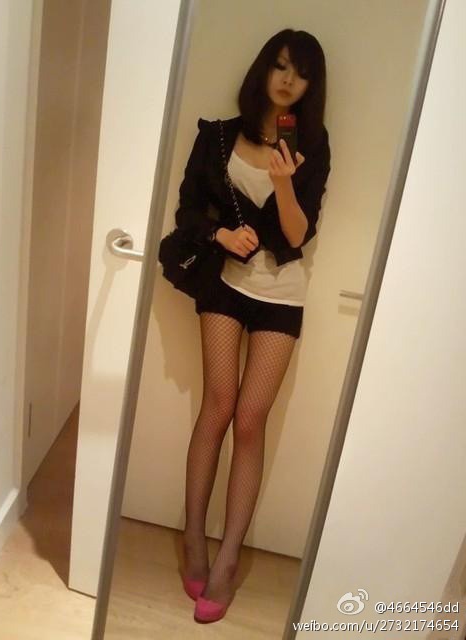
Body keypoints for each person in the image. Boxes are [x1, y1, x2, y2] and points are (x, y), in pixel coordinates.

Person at [177, 28, 331, 623]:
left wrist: (285, 182)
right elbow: (187, 209)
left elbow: (296, 234)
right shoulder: (218, 136)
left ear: (312, 86)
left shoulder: (312, 145)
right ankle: (194, 536)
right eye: (281, 66)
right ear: (264, 68)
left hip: (280, 296)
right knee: (216, 407)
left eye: (302, 73)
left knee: (250, 420)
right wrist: (219, 233)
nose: (288, 80)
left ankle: (228, 556)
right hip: (224, 285)